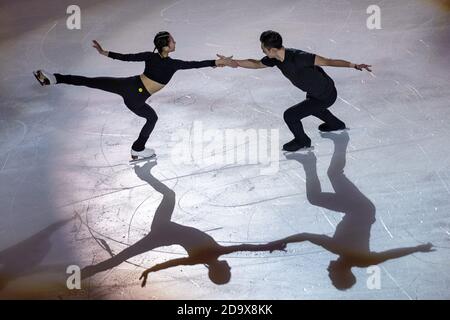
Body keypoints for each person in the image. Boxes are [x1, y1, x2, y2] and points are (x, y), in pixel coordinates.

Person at [33, 31, 235, 160]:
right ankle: (138, 149)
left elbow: (127, 58)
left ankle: (53, 78)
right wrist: (219, 62)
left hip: (128, 84)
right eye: (172, 40)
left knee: (91, 81)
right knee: (152, 118)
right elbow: (196, 64)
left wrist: (104, 53)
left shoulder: (151, 56)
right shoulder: (174, 64)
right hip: (136, 96)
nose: (175, 42)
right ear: (165, 46)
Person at [221, 30, 372, 151]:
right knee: (312, 107)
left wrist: (354, 65)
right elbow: (256, 64)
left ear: (272, 49)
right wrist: (233, 63)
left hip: (326, 94)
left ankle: (303, 141)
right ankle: (336, 124)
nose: (262, 51)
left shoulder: (299, 57)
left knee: (290, 115)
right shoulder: (274, 58)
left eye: (263, 49)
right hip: (314, 92)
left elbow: (328, 61)